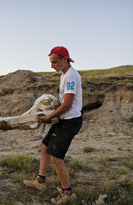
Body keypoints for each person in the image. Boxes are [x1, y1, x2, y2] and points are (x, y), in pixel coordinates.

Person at [23, 46, 83, 204]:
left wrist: (50, 116)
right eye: (51, 62)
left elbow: (68, 104)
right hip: (63, 119)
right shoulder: (64, 74)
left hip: (70, 122)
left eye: (55, 62)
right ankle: (40, 181)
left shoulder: (70, 76)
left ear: (65, 59)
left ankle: (68, 193)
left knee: (56, 158)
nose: (52, 66)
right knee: (44, 147)